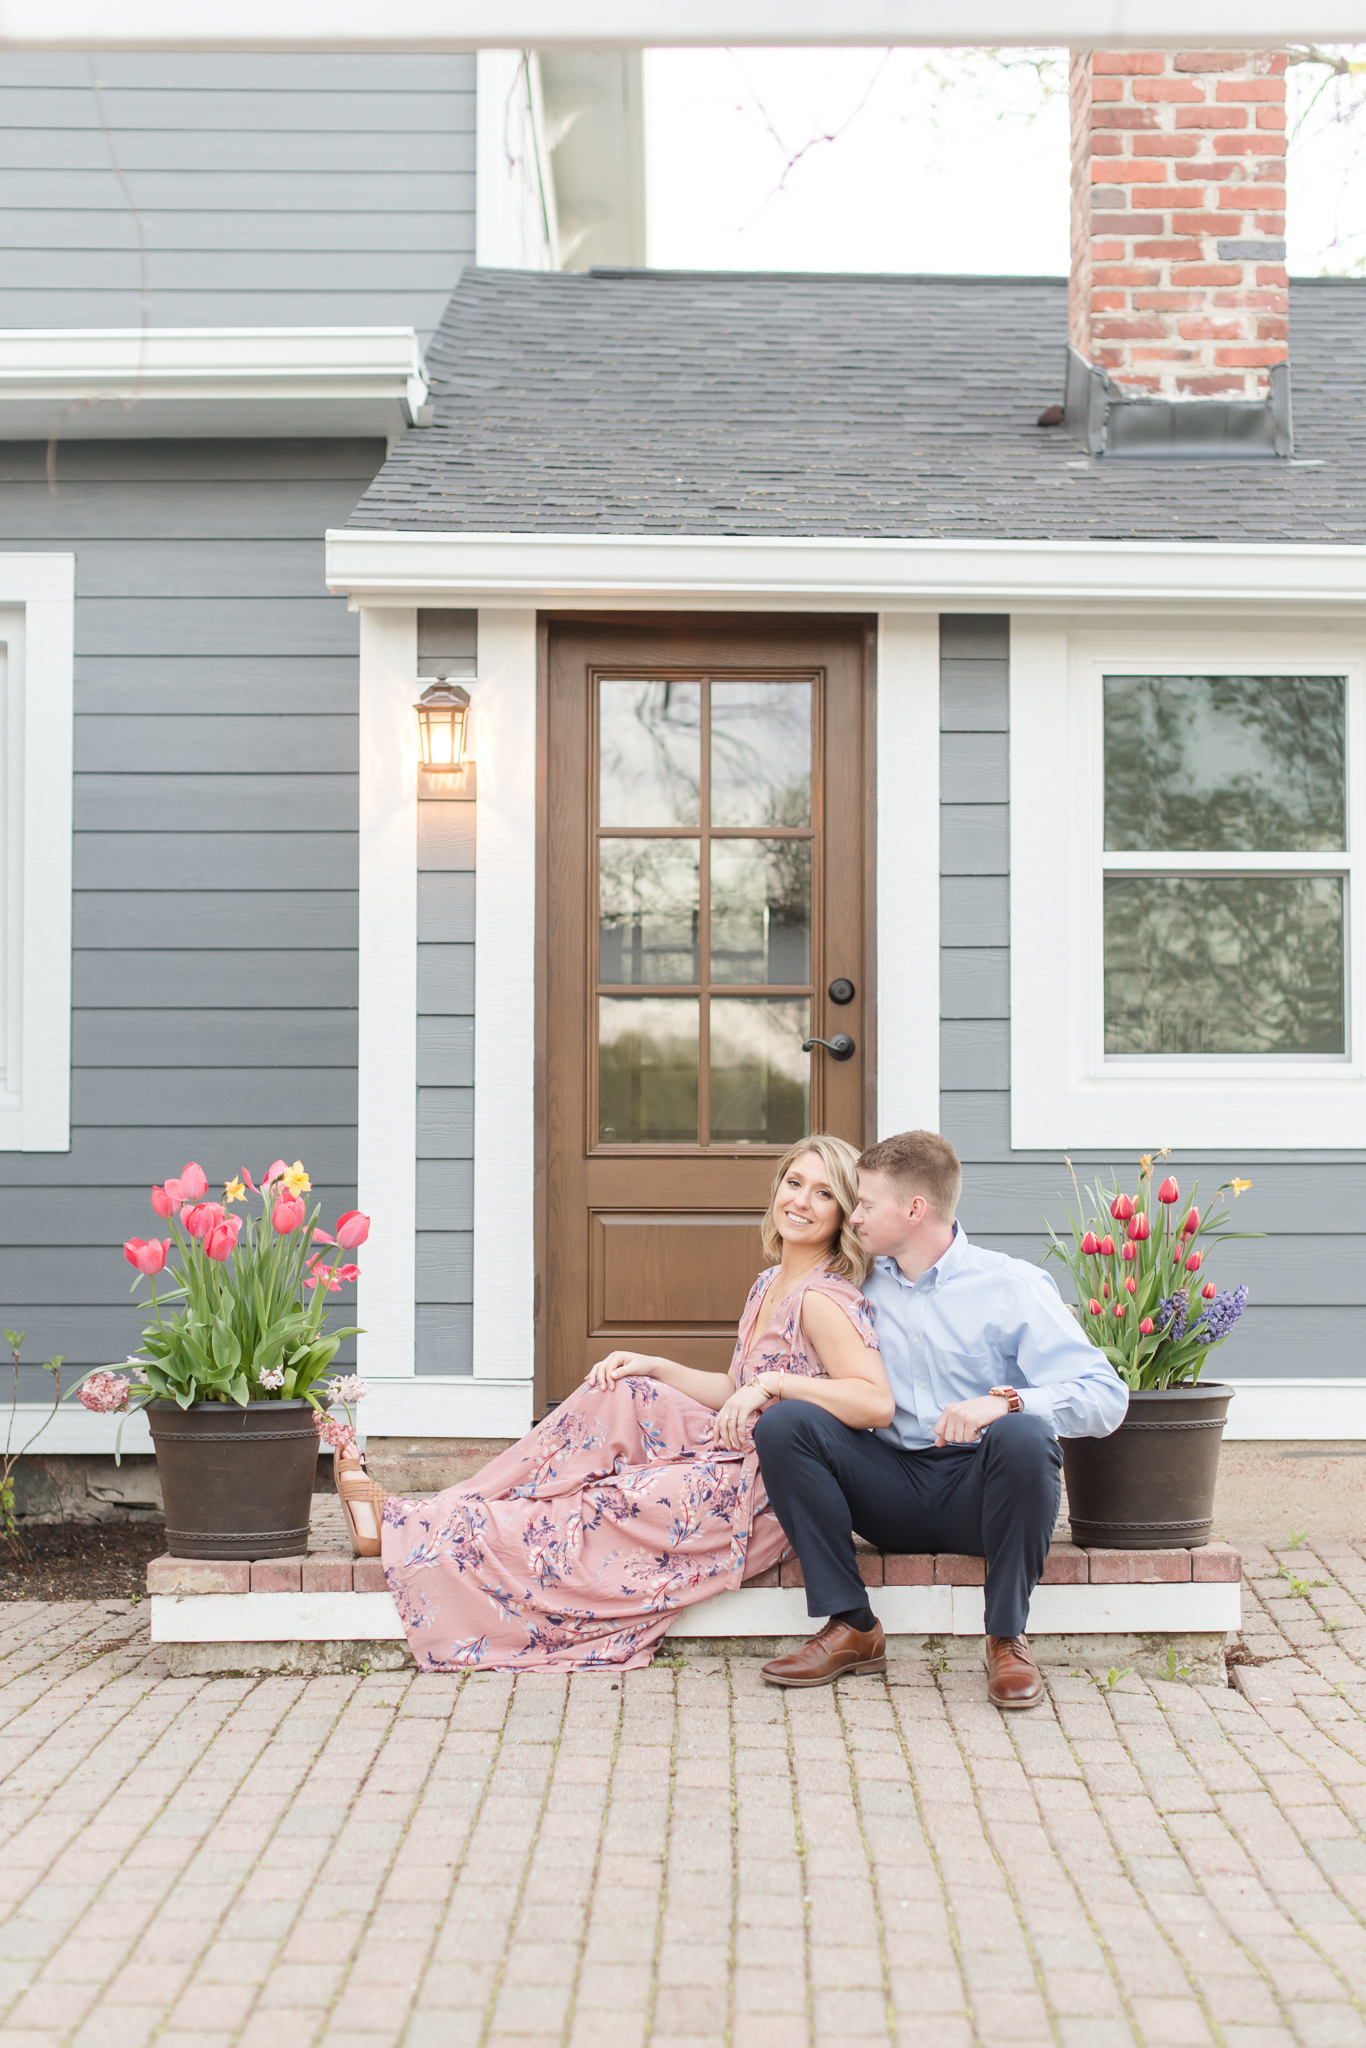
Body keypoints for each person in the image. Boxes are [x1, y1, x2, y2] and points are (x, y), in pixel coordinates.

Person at [376, 1134, 893, 1672]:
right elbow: (738, 1386)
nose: (801, 1202)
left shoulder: (822, 1298)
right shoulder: (770, 1283)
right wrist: (655, 1366)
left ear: (844, 1215)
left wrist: (779, 1384)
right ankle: (453, 1510)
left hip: (764, 1492)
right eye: (794, 1183)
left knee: (606, 1503)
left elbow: (875, 1403)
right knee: (620, 1389)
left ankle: (449, 1528)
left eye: (824, 1194)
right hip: (731, 1447)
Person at [754, 1129, 1129, 1708]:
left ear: (914, 1209)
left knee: (1025, 1433)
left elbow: (1107, 1397)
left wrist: (1005, 1401)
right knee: (786, 1424)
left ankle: (1006, 1637)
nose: (853, 1218)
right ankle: (852, 1625)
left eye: (866, 1205)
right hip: (887, 1485)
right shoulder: (854, 1282)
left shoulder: (1011, 1285)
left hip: (981, 1494)